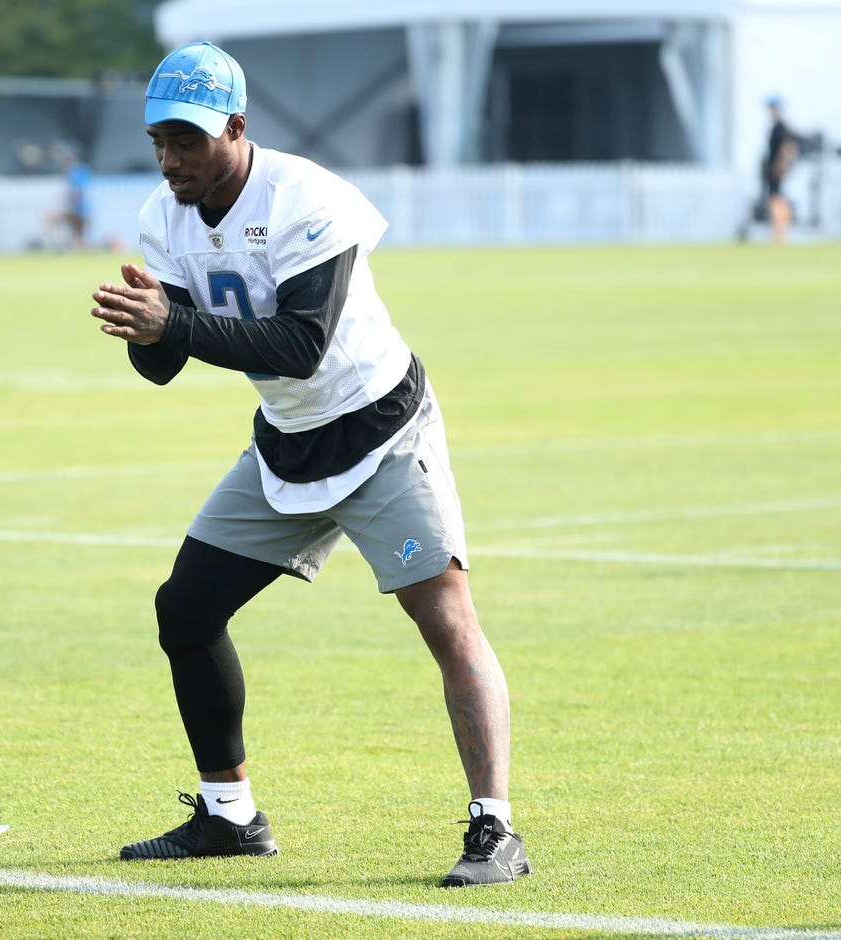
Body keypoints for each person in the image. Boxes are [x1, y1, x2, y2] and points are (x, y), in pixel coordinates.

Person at [89, 41, 531, 887]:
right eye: (159, 141)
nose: (170, 158)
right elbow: (166, 360)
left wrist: (174, 325)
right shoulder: (165, 213)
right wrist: (145, 328)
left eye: (188, 140)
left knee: (445, 621)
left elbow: (299, 344)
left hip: (380, 432)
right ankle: (229, 817)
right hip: (286, 442)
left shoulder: (308, 198)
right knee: (184, 611)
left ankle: (494, 828)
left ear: (237, 127)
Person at [764, 96, 799, 244]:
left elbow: (789, 147)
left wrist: (782, 166)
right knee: (776, 198)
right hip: (774, 168)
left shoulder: (781, 128)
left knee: (776, 199)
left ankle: (780, 233)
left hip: (777, 169)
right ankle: (779, 232)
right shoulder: (776, 127)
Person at [46, 140, 92, 250]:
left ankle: (57, 245)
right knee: (78, 238)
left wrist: (70, 207)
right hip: (85, 210)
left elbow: (77, 193)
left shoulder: (74, 172)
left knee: (51, 218)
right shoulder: (83, 170)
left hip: (78, 211)